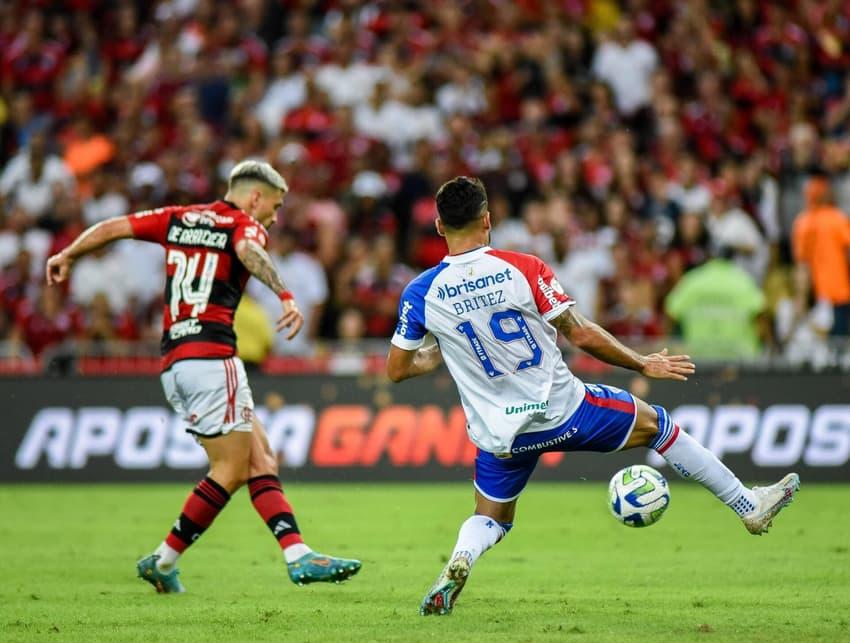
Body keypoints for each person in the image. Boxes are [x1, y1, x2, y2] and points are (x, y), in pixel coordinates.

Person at [386, 177, 799, 616]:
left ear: (438, 227)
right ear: (488, 220)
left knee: (492, 517)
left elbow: (397, 370)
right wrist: (641, 362)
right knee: (657, 425)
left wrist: (444, 350)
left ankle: (459, 560)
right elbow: (579, 332)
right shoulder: (524, 268)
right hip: (565, 410)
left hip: (500, 435)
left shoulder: (421, 292)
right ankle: (747, 505)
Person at [46, 160, 361, 593]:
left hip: (175, 363)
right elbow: (251, 250)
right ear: (254, 197)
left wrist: (68, 253)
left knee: (260, 457)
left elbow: (113, 226)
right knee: (231, 469)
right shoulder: (243, 225)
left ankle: (294, 554)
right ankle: (167, 557)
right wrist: (285, 294)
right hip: (214, 358)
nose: (274, 215)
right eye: (275, 204)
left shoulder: (177, 218)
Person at [792, 176, 850, 337]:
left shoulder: (802, 222)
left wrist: (800, 295)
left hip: (813, 293)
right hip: (838, 291)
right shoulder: (837, 219)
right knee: (838, 345)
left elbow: (801, 263)